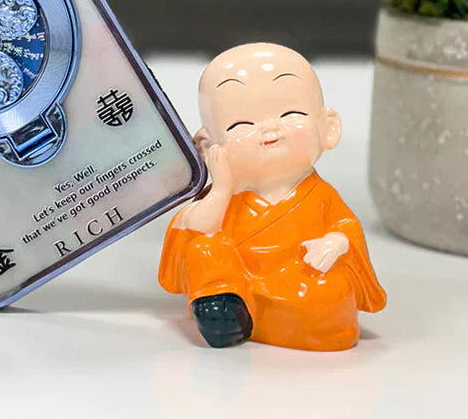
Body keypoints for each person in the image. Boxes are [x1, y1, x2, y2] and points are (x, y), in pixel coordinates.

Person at [158, 43, 386, 351]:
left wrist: (335, 242)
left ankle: (261, 316)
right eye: (240, 124)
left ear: (328, 127)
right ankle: (223, 309)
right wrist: (222, 188)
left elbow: (346, 227)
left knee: (330, 288)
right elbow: (198, 228)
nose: (269, 129)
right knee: (204, 246)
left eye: (291, 113)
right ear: (207, 146)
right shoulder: (227, 195)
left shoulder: (321, 195)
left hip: (300, 276)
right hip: (236, 281)